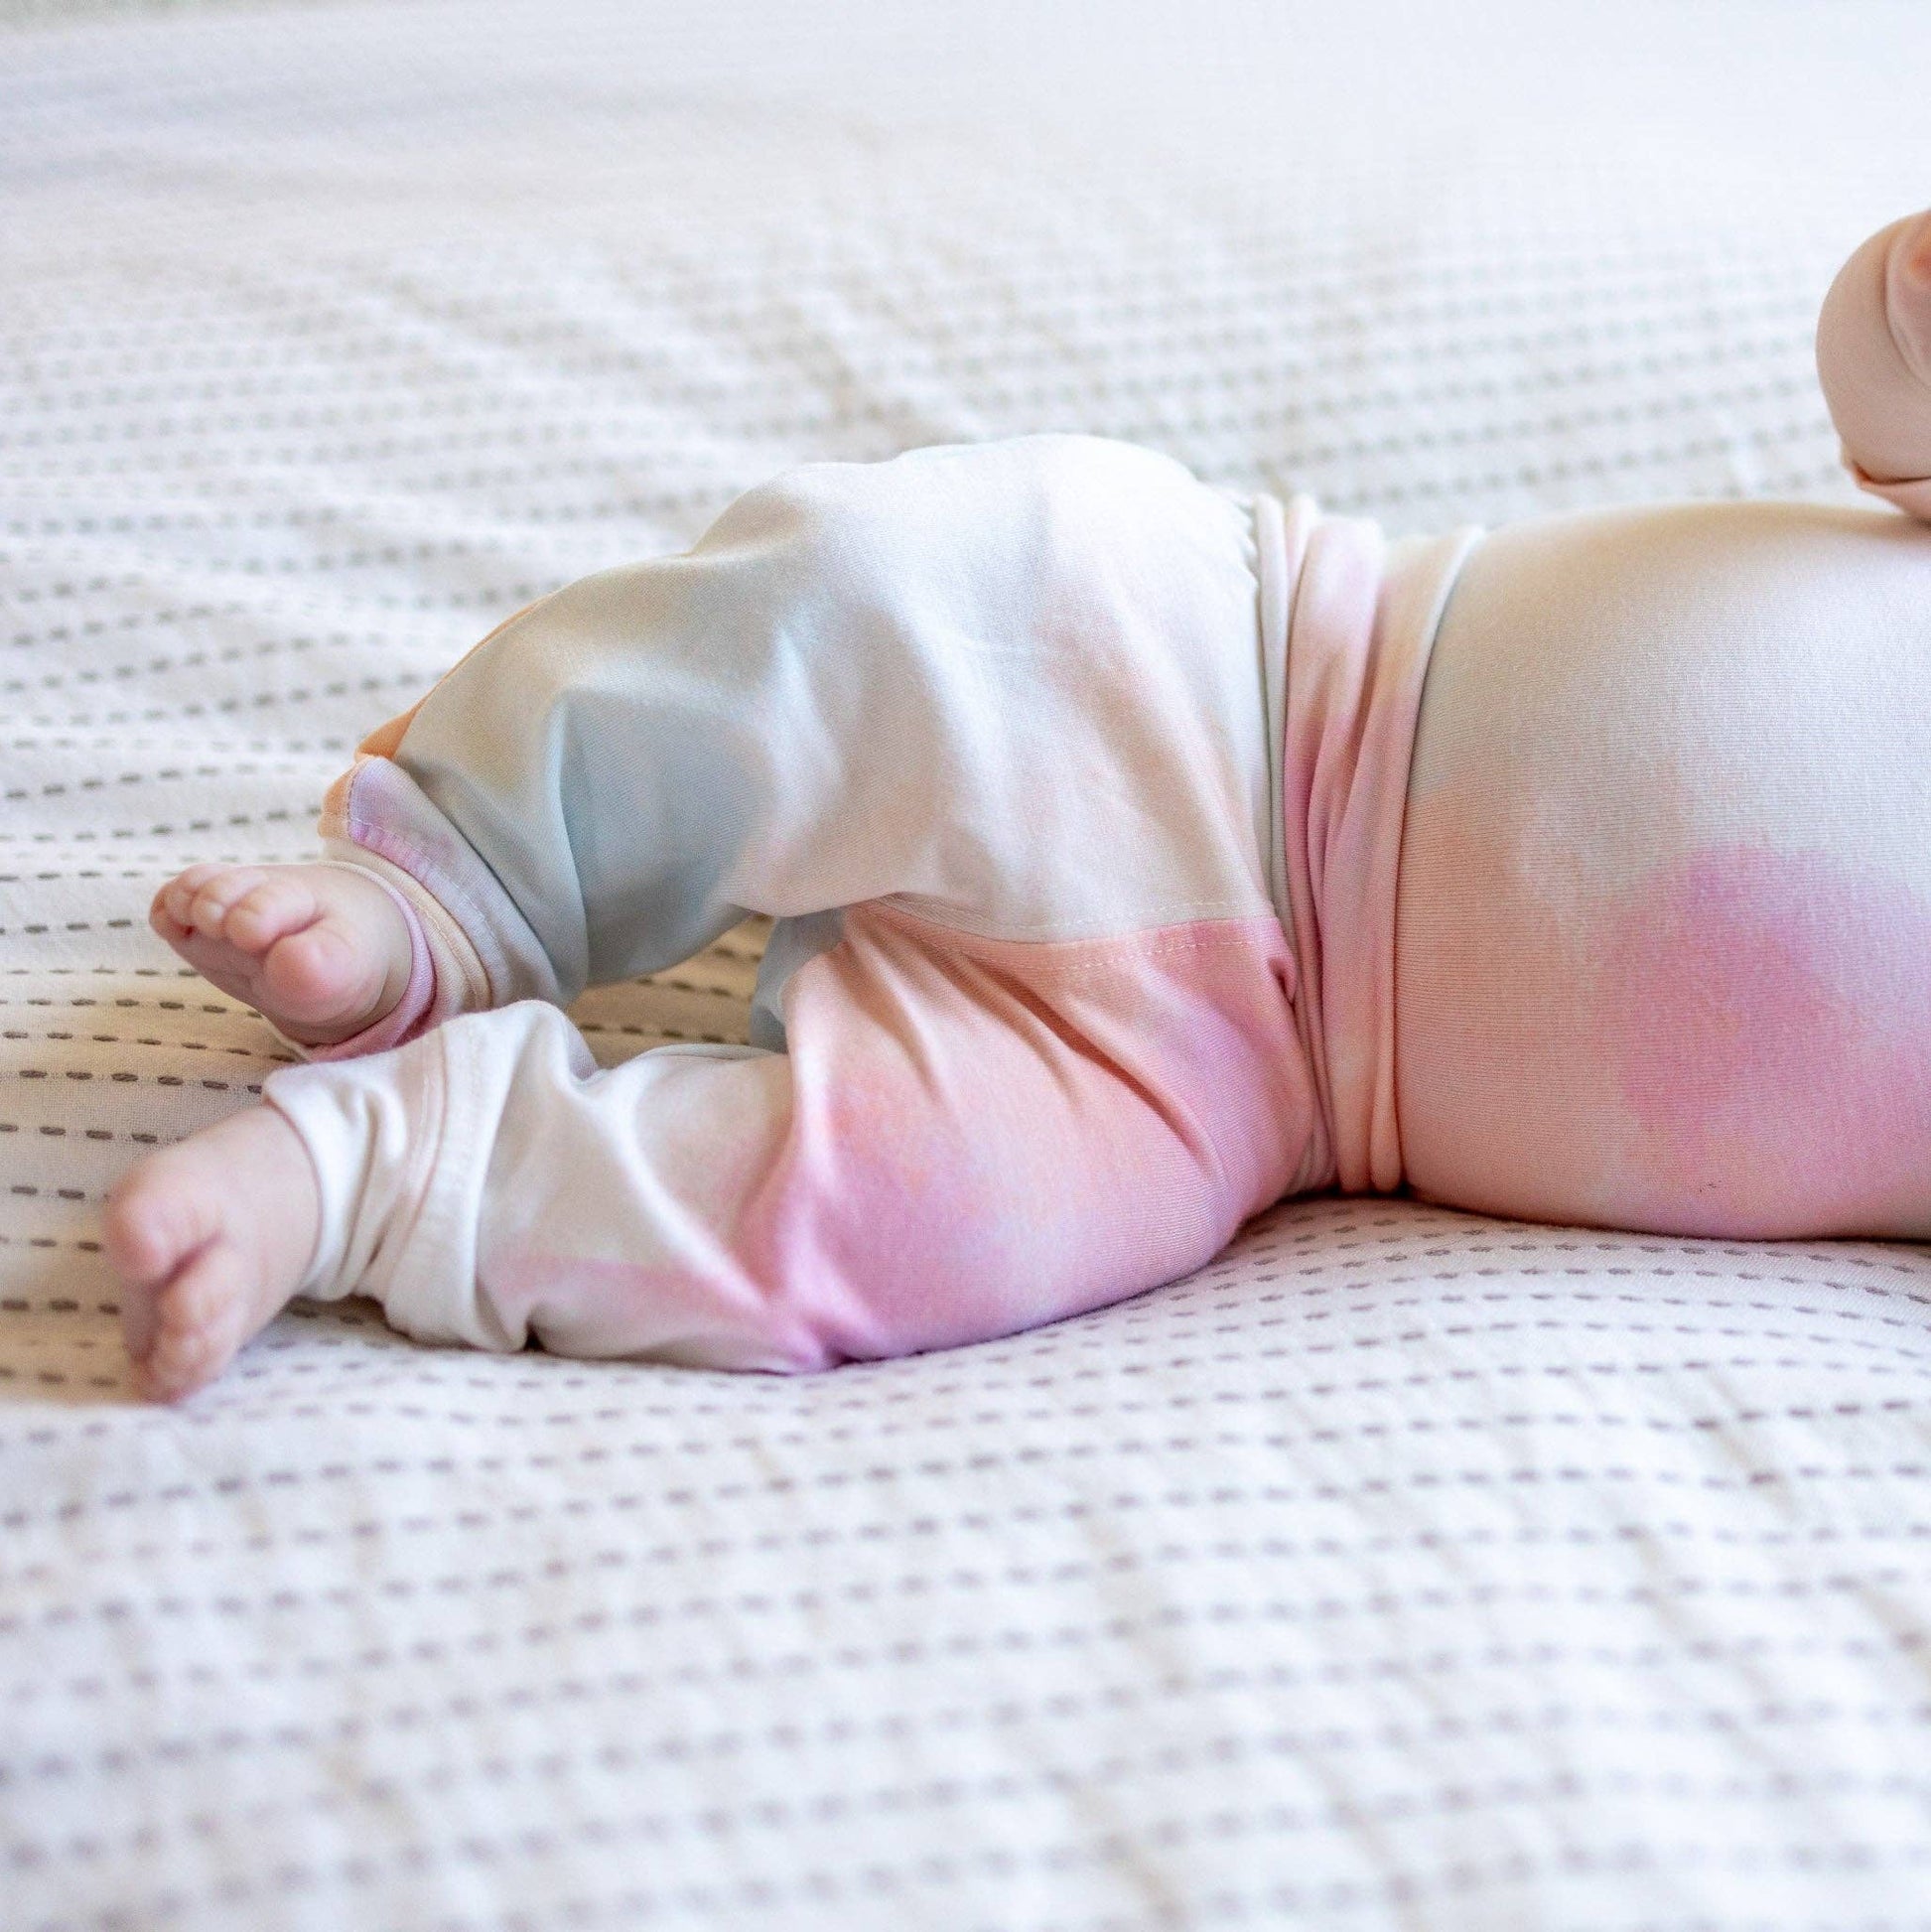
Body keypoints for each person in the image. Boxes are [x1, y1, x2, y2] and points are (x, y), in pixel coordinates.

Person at [104, 209, 1931, 1403]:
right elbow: (1881, 373)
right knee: (873, 596)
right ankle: (472, 879)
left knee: (897, 1225)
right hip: (1245, 673)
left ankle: (374, 1175)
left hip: (1239, 1082)